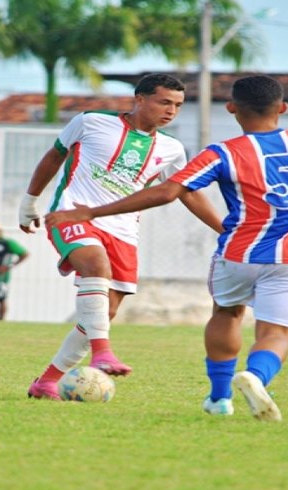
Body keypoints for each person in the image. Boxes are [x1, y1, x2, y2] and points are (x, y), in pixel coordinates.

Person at [46, 75, 288, 421]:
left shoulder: (223, 152)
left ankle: (220, 398)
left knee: (227, 313)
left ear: (232, 109)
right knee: (276, 333)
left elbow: (168, 191)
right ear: (283, 109)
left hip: (238, 252)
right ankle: (256, 376)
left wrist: (91, 211)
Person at [18, 73, 223, 400]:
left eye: (178, 105)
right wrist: (29, 203)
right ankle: (104, 353)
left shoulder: (171, 149)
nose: (171, 111)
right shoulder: (91, 121)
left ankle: (45, 382)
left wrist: (225, 229)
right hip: (71, 213)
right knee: (95, 265)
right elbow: (54, 156)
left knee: (101, 315)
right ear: (139, 99)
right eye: (164, 102)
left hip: (124, 231)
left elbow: (187, 193)